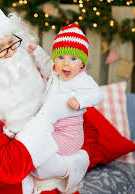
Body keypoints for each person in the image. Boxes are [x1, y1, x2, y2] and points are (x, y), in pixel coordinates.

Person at [0, 1, 90, 194]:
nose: (11, 52)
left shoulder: (29, 70)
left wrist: (69, 164)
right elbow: (9, 168)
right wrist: (48, 117)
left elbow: (79, 123)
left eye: (11, 41)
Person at [31, 23, 103, 194]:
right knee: (36, 143)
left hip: (70, 135)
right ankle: (46, 171)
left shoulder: (82, 79)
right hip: (53, 129)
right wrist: (36, 50)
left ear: (82, 64)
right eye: (61, 57)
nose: (66, 64)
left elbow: (97, 94)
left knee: (41, 150)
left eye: (73, 59)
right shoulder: (55, 73)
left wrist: (80, 100)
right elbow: (45, 62)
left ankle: (50, 173)